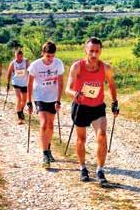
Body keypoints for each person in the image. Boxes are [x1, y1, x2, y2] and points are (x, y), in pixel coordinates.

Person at [65, 37, 119, 185]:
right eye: (91, 51)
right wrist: (75, 94)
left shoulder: (105, 68)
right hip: (80, 107)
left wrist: (115, 102)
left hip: (97, 107)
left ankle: (100, 170)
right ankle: (83, 167)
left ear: (100, 51)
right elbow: (67, 88)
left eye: (97, 51)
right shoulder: (77, 66)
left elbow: (112, 85)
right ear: (86, 51)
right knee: (81, 139)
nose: (94, 54)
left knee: (101, 136)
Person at [27, 41, 64, 168]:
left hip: (53, 97)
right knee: (43, 124)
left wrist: (58, 100)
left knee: (50, 125)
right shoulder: (35, 65)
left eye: (52, 56)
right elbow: (30, 84)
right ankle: (44, 155)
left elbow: (60, 83)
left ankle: (48, 149)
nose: (50, 59)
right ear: (43, 53)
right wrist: (29, 102)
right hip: (40, 97)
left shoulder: (58, 63)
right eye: (48, 56)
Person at [7, 50, 30, 125]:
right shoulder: (13, 63)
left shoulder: (26, 61)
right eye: (17, 57)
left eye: (20, 57)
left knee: (24, 100)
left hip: (24, 83)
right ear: (15, 56)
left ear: (22, 56)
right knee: (19, 98)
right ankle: (19, 117)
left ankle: (21, 110)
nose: (19, 59)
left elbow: (30, 71)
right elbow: (9, 73)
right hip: (16, 82)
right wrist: (8, 83)